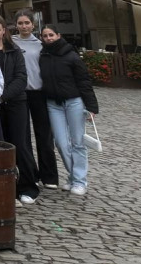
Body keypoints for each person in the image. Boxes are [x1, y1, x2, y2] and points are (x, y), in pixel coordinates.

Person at [0, 15, 39, 204]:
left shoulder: (14, 50)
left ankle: (27, 186)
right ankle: (3, 186)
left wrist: (2, 96)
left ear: (4, 31)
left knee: (19, 144)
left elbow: (21, 78)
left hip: (15, 102)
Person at [40, 25, 99, 196]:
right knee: (60, 142)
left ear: (58, 35)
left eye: (51, 35)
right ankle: (73, 176)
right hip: (53, 103)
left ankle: (79, 181)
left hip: (74, 102)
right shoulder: (43, 56)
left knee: (77, 142)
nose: (48, 38)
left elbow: (84, 81)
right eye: (45, 35)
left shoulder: (71, 56)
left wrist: (91, 107)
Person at [12, 8, 59, 190]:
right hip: (20, 93)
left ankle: (49, 175)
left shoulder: (41, 44)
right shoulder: (12, 43)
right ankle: (29, 172)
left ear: (33, 24)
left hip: (38, 92)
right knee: (23, 136)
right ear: (16, 25)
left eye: (27, 23)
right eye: (20, 23)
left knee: (44, 135)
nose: (24, 26)